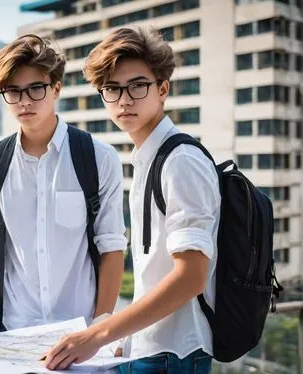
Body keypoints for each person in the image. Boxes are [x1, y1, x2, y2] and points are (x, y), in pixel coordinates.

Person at [44, 26, 221, 374]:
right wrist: (121, 337)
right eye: (111, 89)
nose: (124, 100)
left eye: (138, 86)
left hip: (174, 352)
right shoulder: (149, 157)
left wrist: (97, 333)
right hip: (147, 347)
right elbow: (156, 270)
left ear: (162, 89)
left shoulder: (180, 160)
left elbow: (191, 277)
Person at [0, 35, 127, 336]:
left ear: (56, 88)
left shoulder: (98, 158)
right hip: (13, 333)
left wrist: (99, 330)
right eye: (13, 91)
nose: (24, 100)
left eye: (36, 88)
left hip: (80, 336)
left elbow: (111, 246)